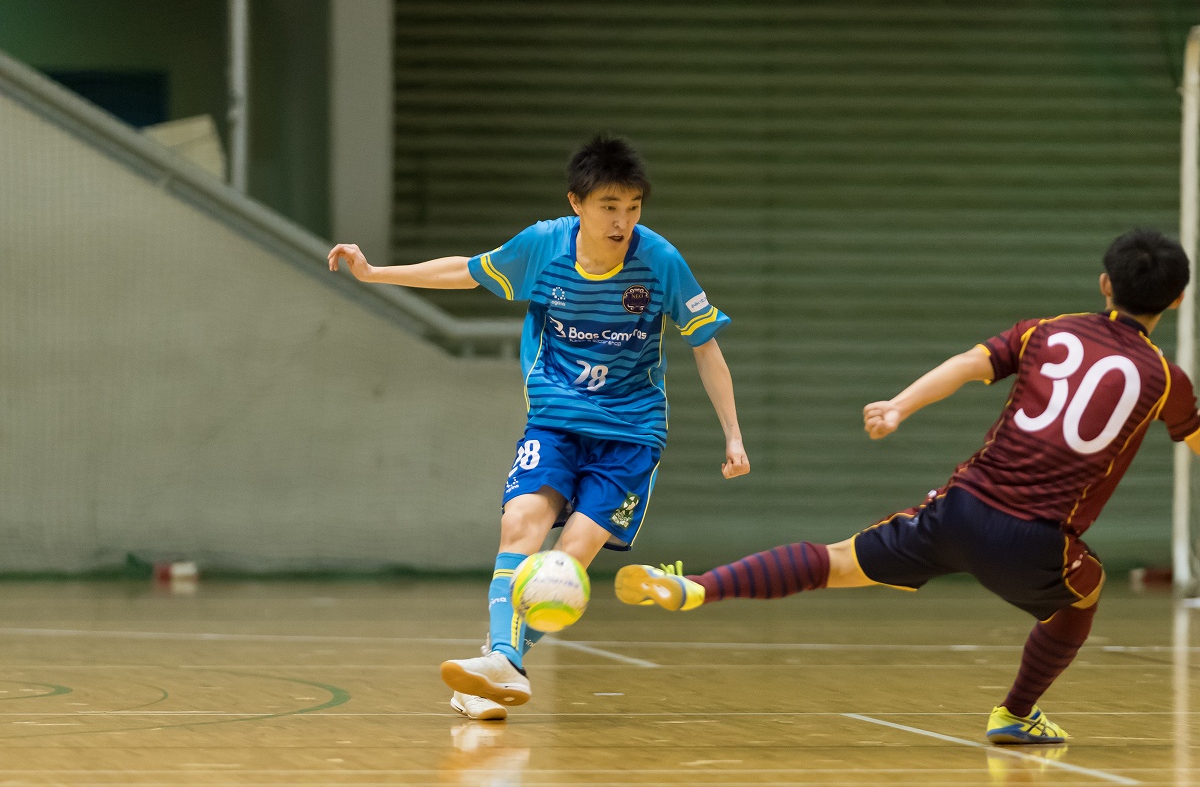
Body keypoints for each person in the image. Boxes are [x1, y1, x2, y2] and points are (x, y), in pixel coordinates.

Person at [615, 228, 1199, 744]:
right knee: (1082, 596)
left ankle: (697, 587)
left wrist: (899, 405)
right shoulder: (1166, 379)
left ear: (1104, 284)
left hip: (961, 510)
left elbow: (967, 365)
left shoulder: (1045, 332)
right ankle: (1016, 714)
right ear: (1177, 299)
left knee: (834, 561)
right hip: (1038, 541)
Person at [328, 134, 750, 721]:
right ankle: (502, 660)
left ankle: (495, 667)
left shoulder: (660, 262)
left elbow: (705, 346)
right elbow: (466, 271)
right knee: (520, 524)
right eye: (609, 207)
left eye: (632, 207)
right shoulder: (543, 245)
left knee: (565, 569)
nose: (622, 221)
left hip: (630, 434)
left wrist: (733, 433)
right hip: (555, 422)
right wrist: (375, 273)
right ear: (577, 203)